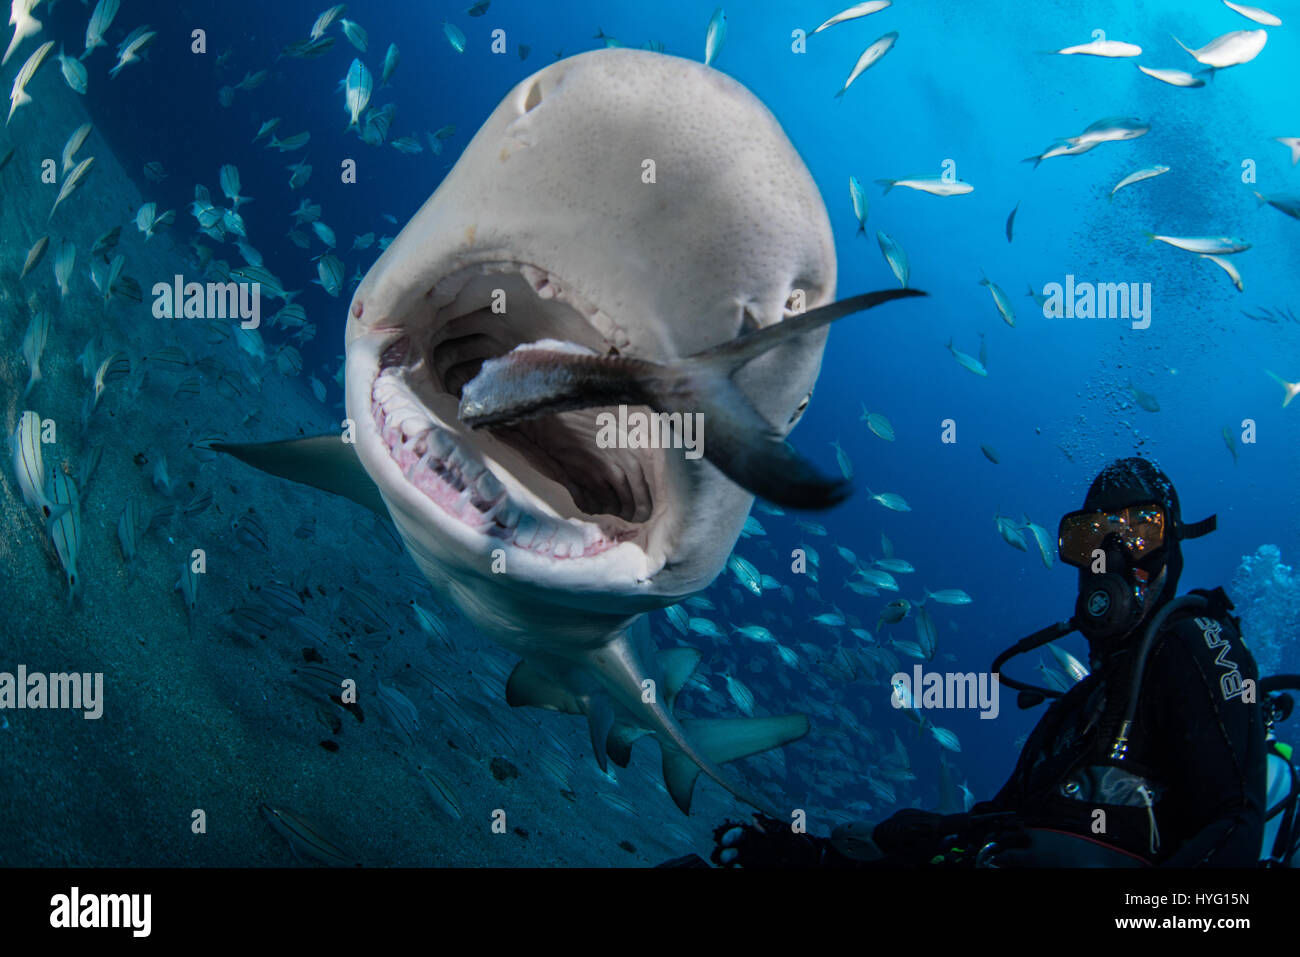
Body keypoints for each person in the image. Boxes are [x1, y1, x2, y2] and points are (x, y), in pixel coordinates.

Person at [709, 458, 1267, 868]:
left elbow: (1235, 830)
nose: (1111, 556)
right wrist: (824, 855)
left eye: (1141, 531)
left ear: (1172, 550)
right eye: (1088, 537)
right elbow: (992, 827)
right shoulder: (1075, 712)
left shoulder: (1197, 642)